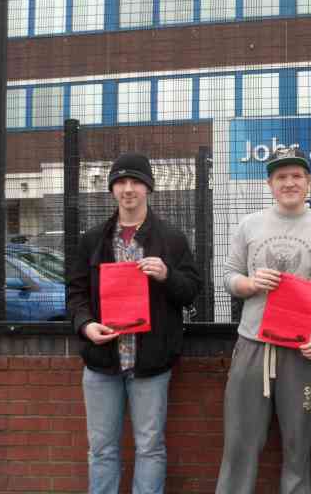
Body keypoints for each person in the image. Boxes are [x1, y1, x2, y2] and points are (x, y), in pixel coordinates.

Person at [216, 147, 311, 494]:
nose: (289, 182)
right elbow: (229, 276)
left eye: (296, 176)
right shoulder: (249, 225)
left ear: (308, 182)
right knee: (240, 445)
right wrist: (250, 283)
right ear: (270, 183)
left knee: (298, 447)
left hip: (303, 351)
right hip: (253, 347)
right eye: (281, 177)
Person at [68, 152, 201, 494]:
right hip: (102, 363)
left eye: (136, 182)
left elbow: (191, 291)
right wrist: (85, 325)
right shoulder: (93, 239)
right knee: (101, 450)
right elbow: (76, 293)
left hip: (151, 363)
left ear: (148, 188)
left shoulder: (171, 238)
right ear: (112, 189)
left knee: (150, 448)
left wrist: (167, 275)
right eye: (121, 182)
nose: (128, 189)